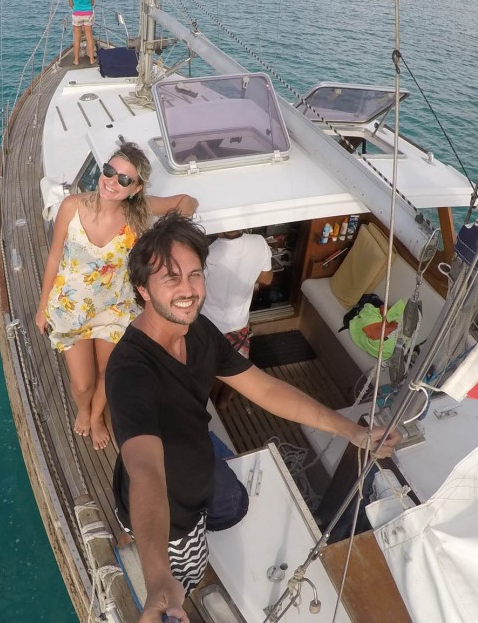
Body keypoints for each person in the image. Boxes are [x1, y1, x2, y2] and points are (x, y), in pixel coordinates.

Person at [105, 213, 400, 622]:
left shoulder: (198, 331)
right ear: (143, 289)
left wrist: (351, 430)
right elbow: (146, 471)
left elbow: (265, 389)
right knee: (184, 577)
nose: (188, 290)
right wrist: (158, 578)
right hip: (173, 516)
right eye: (171, 278)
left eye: (195, 274)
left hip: (197, 465)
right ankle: (139, 548)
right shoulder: (130, 371)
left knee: (233, 503)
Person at [34, 143, 197, 450]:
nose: (112, 181)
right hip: (71, 310)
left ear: (135, 189)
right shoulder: (72, 206)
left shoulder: (137, 214)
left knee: (107, 373)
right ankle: (84, 407)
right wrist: (42, 306)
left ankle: (96, 416)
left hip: (115, 309)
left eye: (124, 179)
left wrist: (174, 236)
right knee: (83, 384)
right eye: (109, 171)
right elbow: (54, 256)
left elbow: (186, 201)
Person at [201, 229, 274, 359]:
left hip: (208, 327)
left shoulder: (205, 253)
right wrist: (246, 274)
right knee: (238, 367)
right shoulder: (259, 242)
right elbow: (266, 279)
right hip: (239, 325)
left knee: (208, 366)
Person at [68, 0, 97, 66]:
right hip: (88, 13)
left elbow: (70, 4)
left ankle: (76, 60)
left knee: (77, 37)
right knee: (89, 36)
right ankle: (92, 59)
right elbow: (92, 3)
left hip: (77, 14)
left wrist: (77, 8)